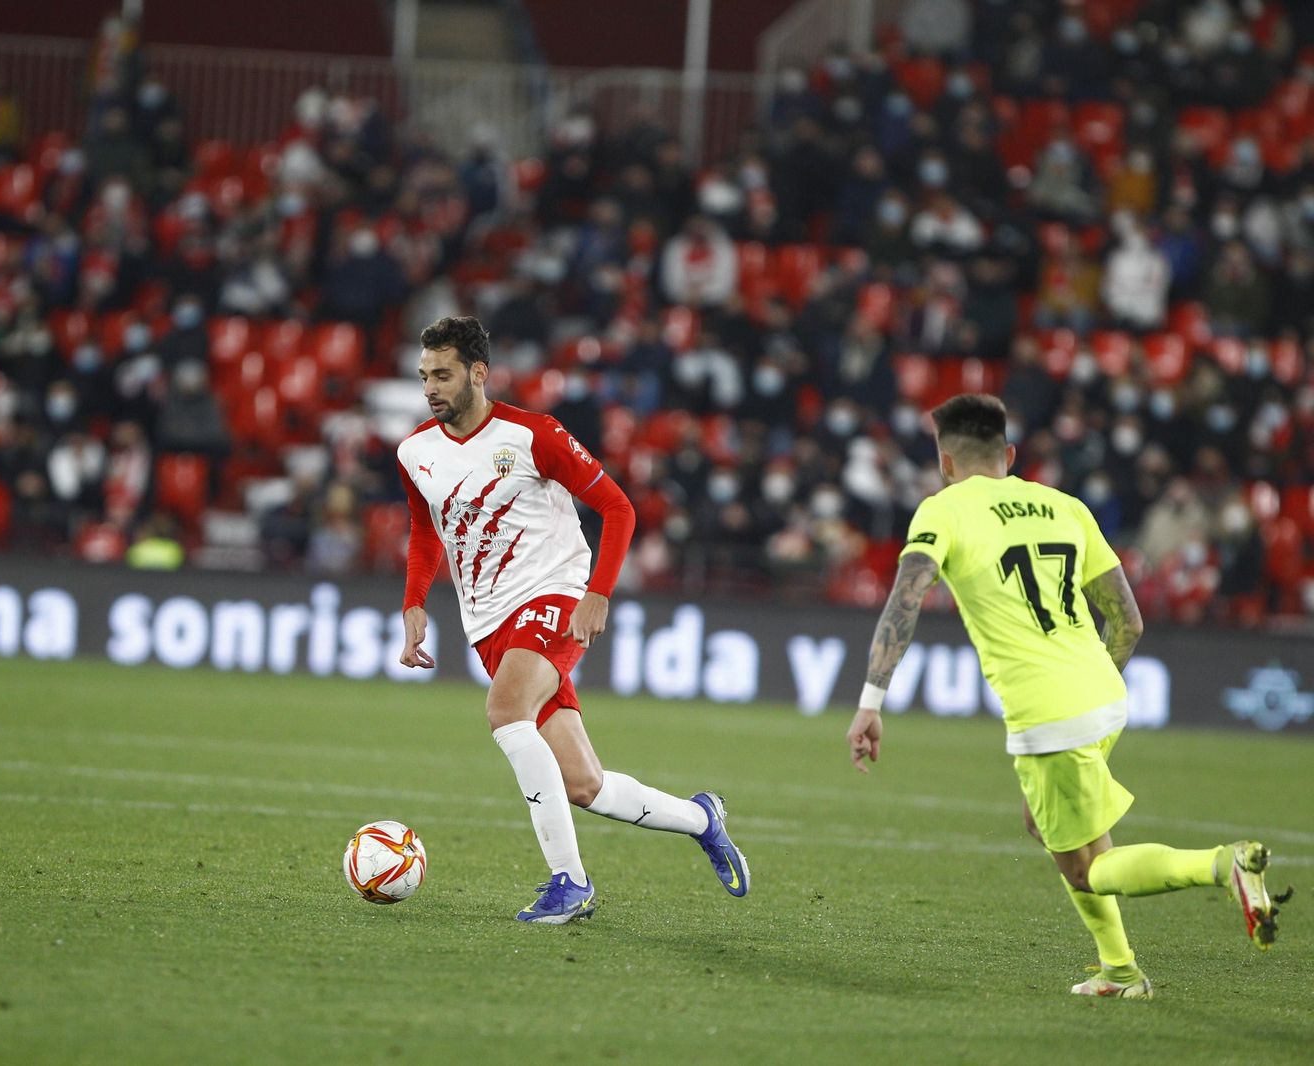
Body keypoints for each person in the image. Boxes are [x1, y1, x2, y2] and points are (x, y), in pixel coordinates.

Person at [846, 394, 1289, 999]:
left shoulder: (942, 510)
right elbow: (1128, 621)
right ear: (1008, 455)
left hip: (1050, 713)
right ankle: (1119, 971)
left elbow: (905, 599)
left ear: (946, 463)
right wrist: (1090, 698)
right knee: (1059, 829)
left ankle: (1221, 864)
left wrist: (871, 701)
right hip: (1106, 692)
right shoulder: (1066, 506)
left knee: (1090, 870)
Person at [396, 316, 750, 924]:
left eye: (443, 374)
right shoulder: (416, 451)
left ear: (478, 374)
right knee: (584, 785)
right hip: (487, 624)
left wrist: (598, 592)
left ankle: (570, 882)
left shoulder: (535, 435)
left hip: (553, 595)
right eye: (425, 374)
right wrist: (414, 603)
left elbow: (618, 508)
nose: (430, 387)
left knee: (506, 713)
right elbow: (427, 528)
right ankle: (703, 819)